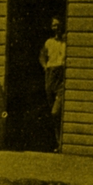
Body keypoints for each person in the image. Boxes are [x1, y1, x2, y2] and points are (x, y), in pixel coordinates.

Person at [39, 17, 66, 151]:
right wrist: (45, 66)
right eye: (54, 25)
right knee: (51, 112)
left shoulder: (66, 43)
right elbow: (42, 56)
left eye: (59, 25)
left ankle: (60, 142)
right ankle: (56, 142)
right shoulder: (49, 42)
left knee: (56, 112)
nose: (57, 28)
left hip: (61, 77)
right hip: (50, 77)